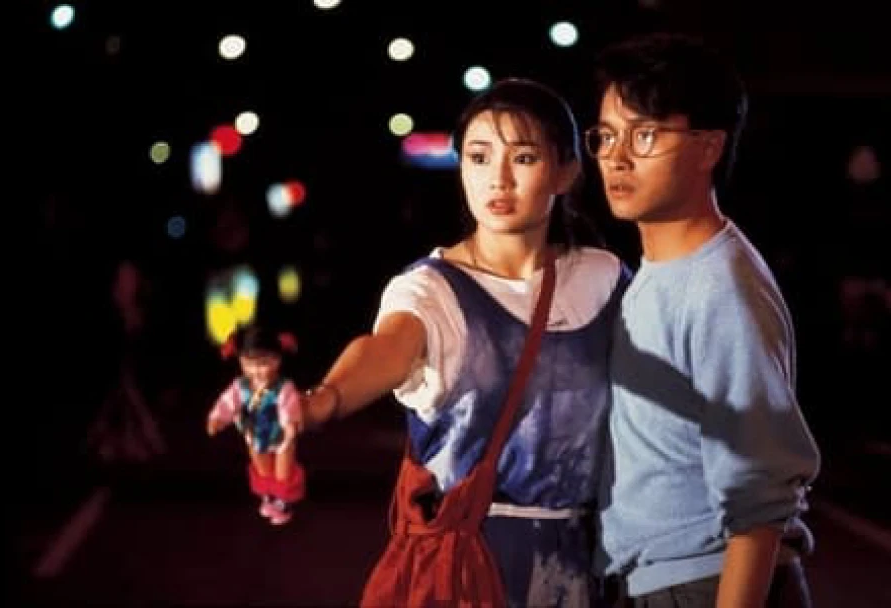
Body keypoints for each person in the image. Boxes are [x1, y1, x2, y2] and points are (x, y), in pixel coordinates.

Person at [300, 77, 629, 606]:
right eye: (478, 157)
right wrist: (322, 401)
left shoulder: (603, 278)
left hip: (589, 560)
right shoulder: (431, 290)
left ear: (566, 170)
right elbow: (385, 349)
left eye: (524, 157)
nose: (498, 178)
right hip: (471, 563)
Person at [587, 33, 821, 607]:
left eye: (645, 134)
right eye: (606, 136)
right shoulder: (658, 272)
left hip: (704, 583)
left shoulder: (720, 290)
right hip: (663, 580)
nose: (617, 157)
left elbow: (760, 496)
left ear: (709, 147)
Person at [208, 325, 305, 526]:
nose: (256, 370)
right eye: (249, 364)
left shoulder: (283, 387)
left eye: (263, 364)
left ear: (277, 360)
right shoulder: (240, 386)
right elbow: (227, 403)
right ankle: (268, 497)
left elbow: (289, 406)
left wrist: (289, 424)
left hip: (281, 434)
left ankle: (282, 502)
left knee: (283, 471)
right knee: (262, 469)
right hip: (254, 433)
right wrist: (218, 419)